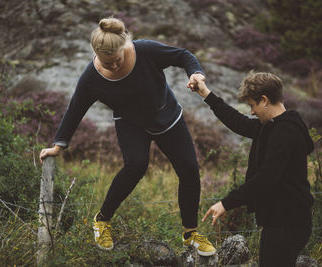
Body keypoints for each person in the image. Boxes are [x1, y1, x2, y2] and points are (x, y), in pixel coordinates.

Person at [39, 17, 216, 256]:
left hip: (167, 116)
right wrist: (58, 146)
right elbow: (75, 109)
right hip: (131, 123)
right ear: (96, 54)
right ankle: (102, 221)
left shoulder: (145, 50)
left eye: (117, 60)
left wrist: (196, 73)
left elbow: (183, 55)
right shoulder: (91, 78)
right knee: (136, 165)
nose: (113, 66)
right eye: (107, 62)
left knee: (189, 169)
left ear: (125, 48)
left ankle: (191, 234)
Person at [193, 71, 314, 266]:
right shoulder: (272, 126)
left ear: (264, 100)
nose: (251, 112)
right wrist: (206, 94)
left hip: (287, 223)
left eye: (252, 105)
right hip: (283, 221)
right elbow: (238, 122)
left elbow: (266, 178)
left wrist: (226, 203)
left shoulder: (284, 132)